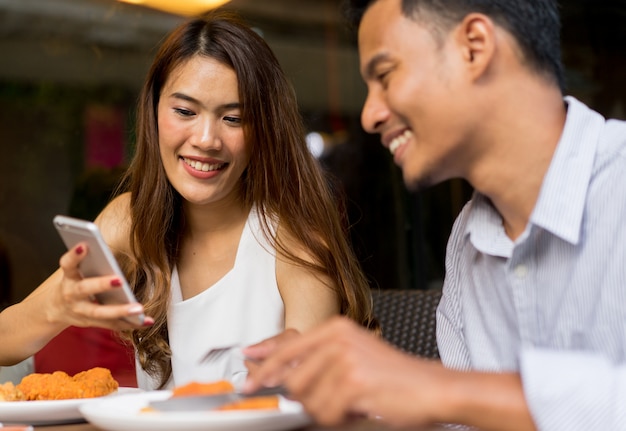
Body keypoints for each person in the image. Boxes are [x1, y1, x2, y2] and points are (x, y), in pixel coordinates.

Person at [243, 0, 626, 430]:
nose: (369, 115)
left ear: (474, 48)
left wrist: (436, 388)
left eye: (385, 76)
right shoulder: (467, 239)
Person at [0, 11, 377, 390]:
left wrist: (300, 367)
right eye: (184, 111)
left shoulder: (295, 242)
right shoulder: (128, 222)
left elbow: (319, 395)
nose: (206, 139)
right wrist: (56, 308)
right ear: (153, 112)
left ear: (263, 129)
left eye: (233, 118)